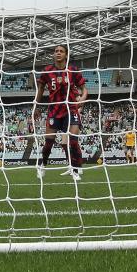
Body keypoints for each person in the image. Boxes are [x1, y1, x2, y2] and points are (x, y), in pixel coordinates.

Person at [34, 44, 87, 181]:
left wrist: (82, 98)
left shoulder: (73, 70)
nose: (58, 53)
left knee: (73, 141)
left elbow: (84, 89)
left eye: (61, 51)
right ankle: (42, 165)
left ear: (66, 55)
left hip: (71, 109)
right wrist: (36, 107)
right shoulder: (47, 71)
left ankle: (75, 170)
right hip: (54, 110)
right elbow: (40, 90)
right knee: (48, 143)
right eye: (56, 51)